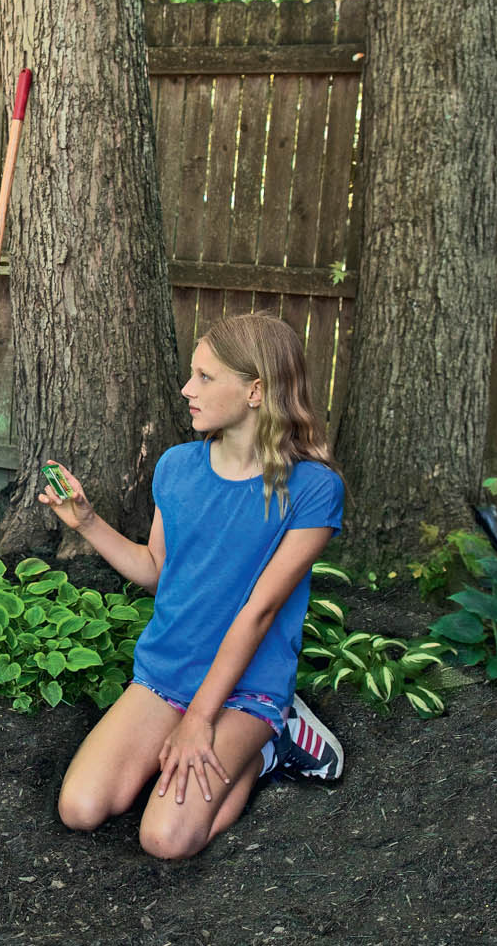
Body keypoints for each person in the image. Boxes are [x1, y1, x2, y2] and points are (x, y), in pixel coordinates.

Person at [39, 312, 345, 859]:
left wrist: (199, 722)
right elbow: (157, 571)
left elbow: (259, 611)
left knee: (166, 839)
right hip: (168, 674)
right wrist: (86, 522)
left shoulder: (312, 490)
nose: (186, 390)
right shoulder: (177, 467)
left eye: (204, 377)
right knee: (80, 808)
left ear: (255, 390)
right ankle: (213, 751)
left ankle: (267, 747)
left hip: (245, 689)